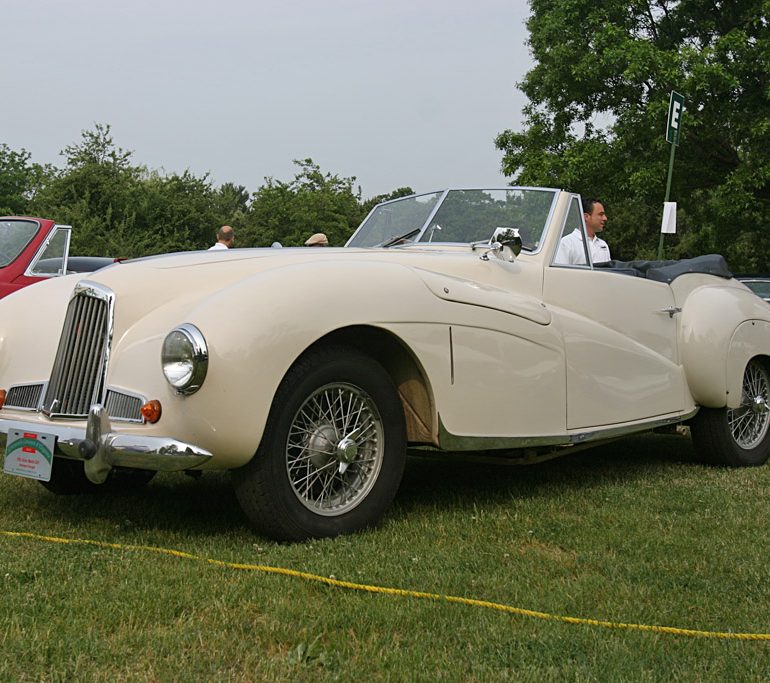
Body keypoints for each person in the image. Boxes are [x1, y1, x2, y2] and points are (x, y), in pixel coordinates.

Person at [555, 198, 610, 265]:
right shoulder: (566, 243)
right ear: (586, 217)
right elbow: (560, 273)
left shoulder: (603, 244)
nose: (605, 218)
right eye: (601, 214)